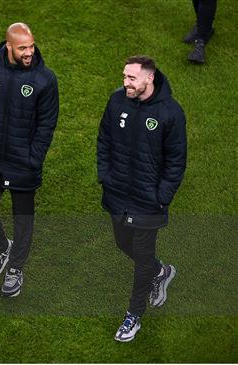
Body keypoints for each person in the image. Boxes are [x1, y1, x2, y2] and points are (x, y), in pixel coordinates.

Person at [97, 55, 187, 342]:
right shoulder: (117, 101)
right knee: (123, 243)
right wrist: (105, 175)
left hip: (148, 201)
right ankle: (160, 271)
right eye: (124, 76)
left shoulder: (171, 113)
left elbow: (176, 160)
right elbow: (104, 139)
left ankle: (133, 315)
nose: (126, 82)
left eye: (131, 78)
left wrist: (161, 197)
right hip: (118, 192)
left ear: (150, 78)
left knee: (141, 257)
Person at [0, 23, 59, 297]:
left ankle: (16, 268)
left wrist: (34, 158)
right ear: (9, 47)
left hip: (23, 163)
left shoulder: (44, 79)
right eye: (22, 48)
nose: (29, 52)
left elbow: (47, 124)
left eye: (31, 46)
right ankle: (0, 247)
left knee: (23, 220)